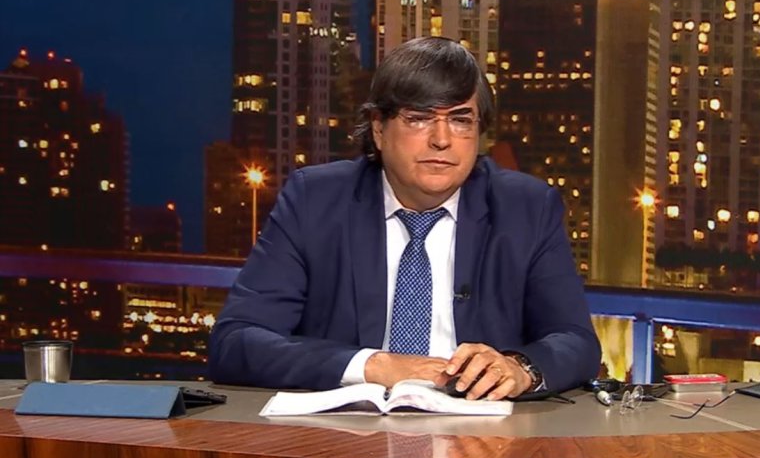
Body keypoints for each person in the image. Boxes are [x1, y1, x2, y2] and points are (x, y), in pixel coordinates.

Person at [209, 36, 601, 400]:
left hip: (482, 435)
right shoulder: (315, 200)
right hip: (345, 433)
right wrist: (373, 366)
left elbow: (576, 340)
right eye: (419, 118)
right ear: (379, 129)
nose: (442, 139)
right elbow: (237, 341)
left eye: (461, 120)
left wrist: (520, 368)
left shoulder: (525, 207)